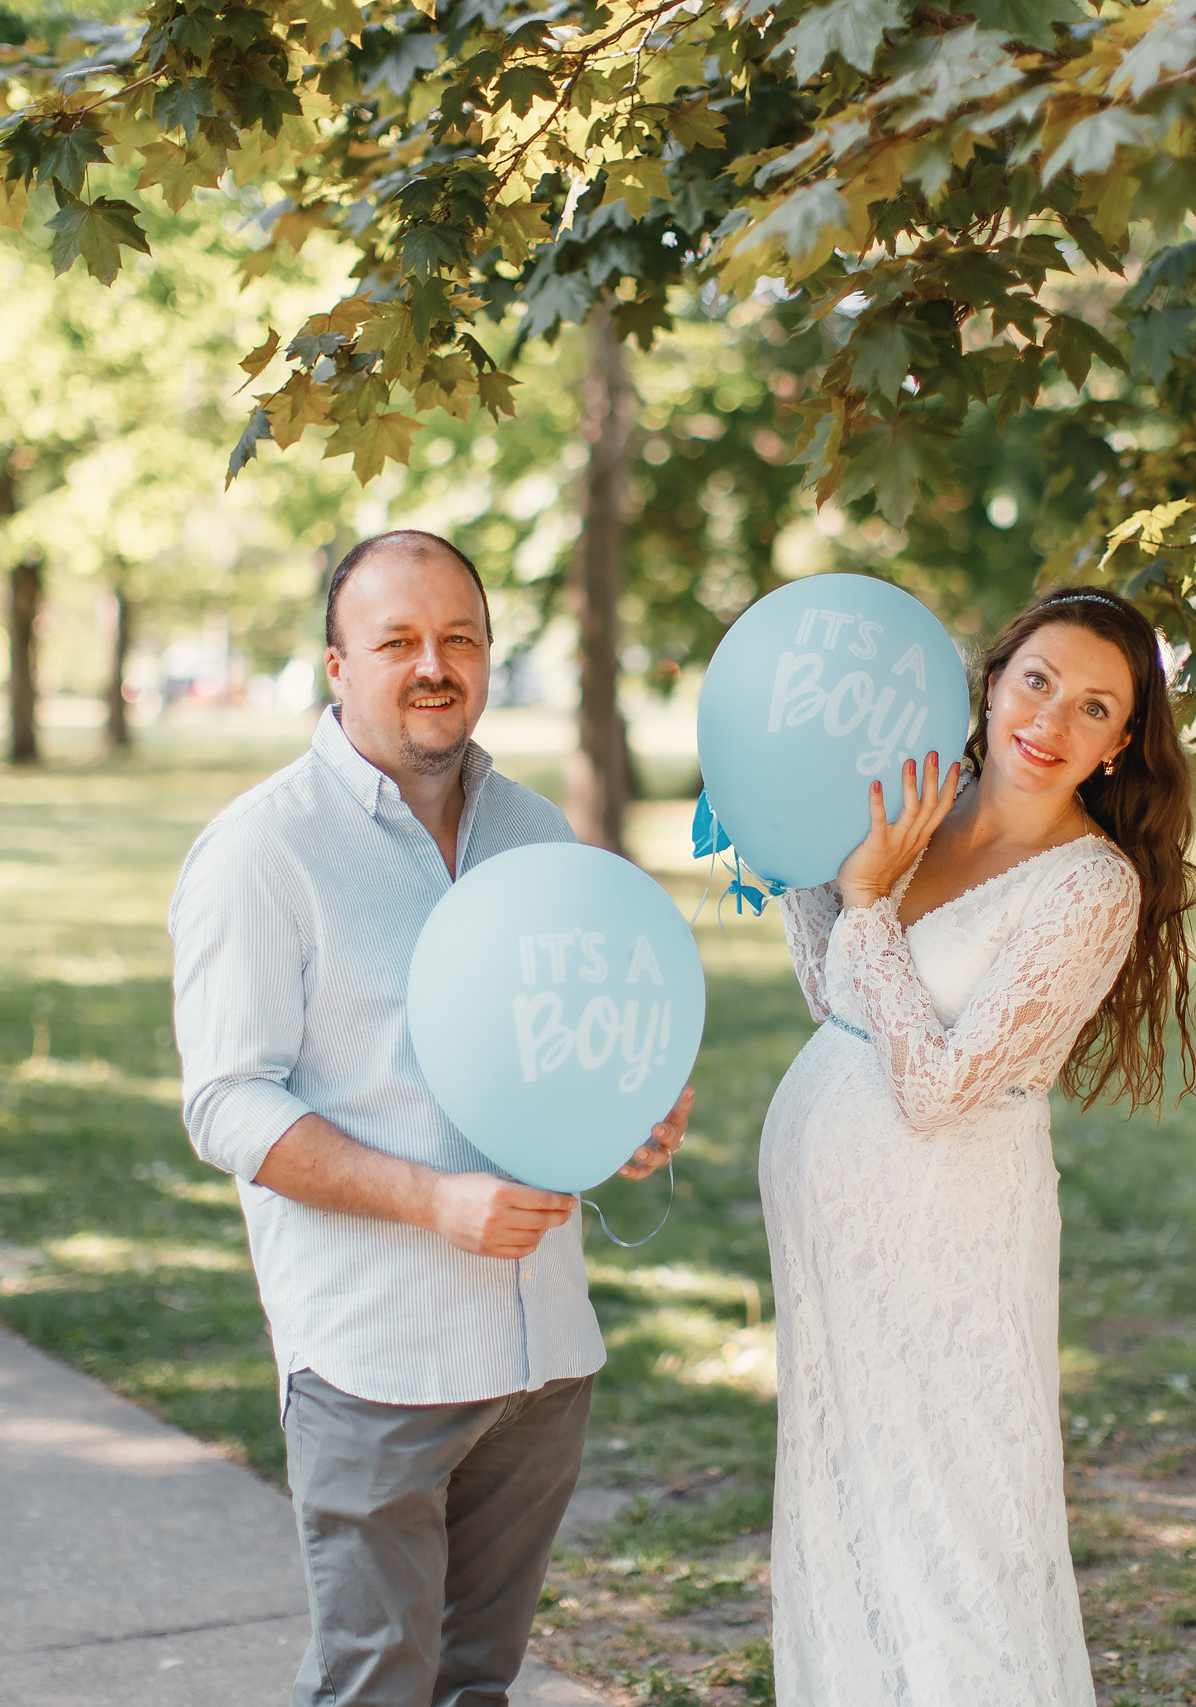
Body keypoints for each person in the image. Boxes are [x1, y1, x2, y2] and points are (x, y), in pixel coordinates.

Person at [168, 529, 691, 1707]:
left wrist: (624, 1122)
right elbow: (227, 1104)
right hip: (377, 1358)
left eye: (458, 637)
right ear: (335, 664)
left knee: (476, 1688)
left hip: (542, 1353)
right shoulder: (263, 849)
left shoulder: (537, 836)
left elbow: (554, 1060)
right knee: (375, 1687)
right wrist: (433, 1200)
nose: (431, 665)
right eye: (396, 640)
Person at [760, 585, 1196, 1705]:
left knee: (952, 1505)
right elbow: (837, 999)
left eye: (1095, 709)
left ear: (1118, 747)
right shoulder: (925, 804)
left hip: (948, 1230)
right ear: (993, 680)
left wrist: (866, 906)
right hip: (835, 1235)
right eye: (1038, 681)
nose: (1052, 721)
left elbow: (939, 1089)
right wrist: (801, 874)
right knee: (851, 1487)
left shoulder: (1090, 885)